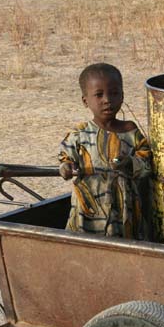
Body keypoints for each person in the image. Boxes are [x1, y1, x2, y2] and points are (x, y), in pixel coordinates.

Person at [59, 63, 152, 238]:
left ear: (122, 96)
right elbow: (65, 159)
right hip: (89, 208)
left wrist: (130, 164)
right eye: (98, 95)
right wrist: (66, 168)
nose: (107, 99)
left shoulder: (130, 131)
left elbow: (147, 163)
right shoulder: (79, 133)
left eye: (114, 93)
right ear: (85, 101)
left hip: (124, 207)